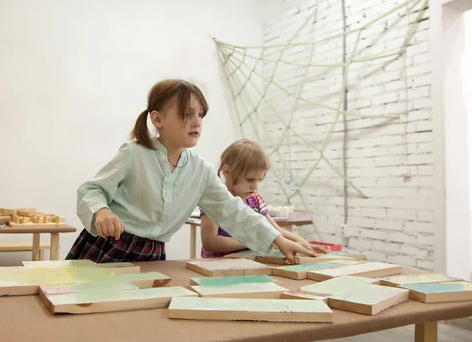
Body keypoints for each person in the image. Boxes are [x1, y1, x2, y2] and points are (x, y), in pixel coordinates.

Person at [66, 79, 317, 263]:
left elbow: (233, 211)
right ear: (157, 119)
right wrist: (101, 211)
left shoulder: (200, 171)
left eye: (200, 115)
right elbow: (91, 190)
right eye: (186, 114)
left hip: (152, 256)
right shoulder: (134, 153)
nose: (197, 122)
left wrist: (278, 239)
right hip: (106, 248)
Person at [200, 139, 328, 258]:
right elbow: (210, 242)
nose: (255, 186)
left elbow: (274, 230)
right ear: (227, 172)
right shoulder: (215, 199)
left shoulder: (255, 200)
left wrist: (301, 241)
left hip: (247, 262)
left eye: (259, 180)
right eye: (250, 179)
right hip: (217, 265)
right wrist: (254, 240)